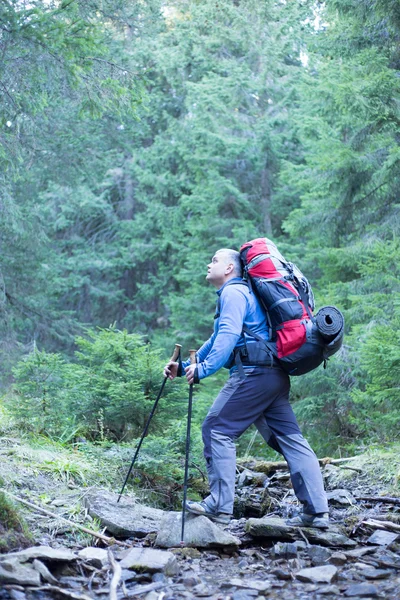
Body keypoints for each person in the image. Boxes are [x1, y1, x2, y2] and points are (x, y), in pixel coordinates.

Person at [164, 248, 329, 528]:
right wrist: (183, 368)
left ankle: (219, 505)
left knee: (217, 429)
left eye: (214, 260)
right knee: (291, 440)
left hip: (253, 374)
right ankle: (316, 512)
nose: (209, 263)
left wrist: (202, 370)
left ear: (229, 268)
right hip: (274, 376)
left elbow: (227, 337)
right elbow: (216, 339)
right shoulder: (243, 294)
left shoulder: (233, 293)